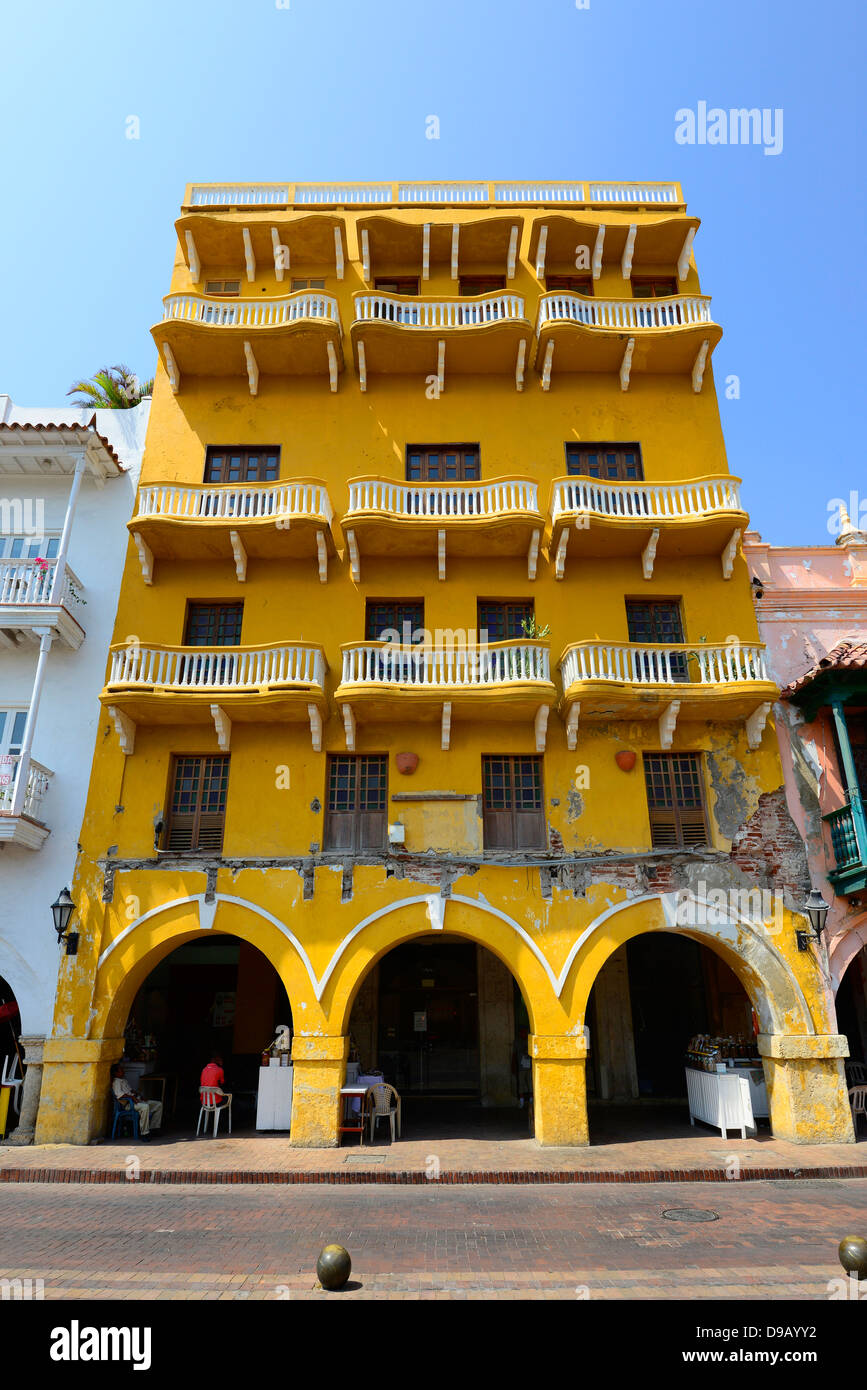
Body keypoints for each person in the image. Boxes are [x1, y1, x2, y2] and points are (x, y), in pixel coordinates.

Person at [110, 1063, 163, 1138]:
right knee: (145, 1107)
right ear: (116, 1073)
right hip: (128, 1105)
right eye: (121, 1070)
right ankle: (144, 1133)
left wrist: (140, 1095)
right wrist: (132, 1098)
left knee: (158, 1104)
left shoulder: (123, 1080)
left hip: (136, 1101)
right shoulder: (116, 1082)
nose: (123, 1071)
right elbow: (120, 1095)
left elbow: (130, 1090)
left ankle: (154, 1128)